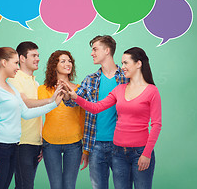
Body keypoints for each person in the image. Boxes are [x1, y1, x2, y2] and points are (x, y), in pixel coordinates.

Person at [63, 47, 162, 189]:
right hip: (118, 152)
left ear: (138, 64)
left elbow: (157, 125)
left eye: (126, 63)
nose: (123, 67)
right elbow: (96, 107)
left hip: (140, 151)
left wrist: (146, 154)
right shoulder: (119, 89)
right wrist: (75, 97)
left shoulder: (152, 91)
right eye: (122, 63)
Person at [0, 47, 63, 189]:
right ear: (4, 63)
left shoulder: (11, 88)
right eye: (15, 63)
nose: (17, 68)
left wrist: (54, 103)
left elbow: (26, 113)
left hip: (13, 147)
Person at [63, 35, 129, 189]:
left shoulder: (126, 78)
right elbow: (73, 101)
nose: (92, 53)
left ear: (107, 51)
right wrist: (67, 95)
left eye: (95, 49)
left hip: (121, 144)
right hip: (95, 145)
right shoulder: (90, 79)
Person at [7, 41, 53, 189]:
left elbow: (38, 113)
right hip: (21, 143)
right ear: (22, 58)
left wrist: (41, 141)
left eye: (38, 55)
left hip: (35, 143)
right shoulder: (14, 79)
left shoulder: (36, 83)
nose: (38, 58)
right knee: (24, 185)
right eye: (33, 55)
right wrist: (52, 100)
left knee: (26, 185)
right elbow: (25, 103)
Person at [37, 50, 85, 189]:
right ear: (54, 65)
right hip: (50, 144)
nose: (67, 63)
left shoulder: (79, 89)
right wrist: (39, 141)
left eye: (69, 61)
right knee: (56, 186)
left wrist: (85, 149)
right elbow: (38, 115)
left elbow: (83, 117)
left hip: (74, 144)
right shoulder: (43, 89)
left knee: (69, 186)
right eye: (62, 61)